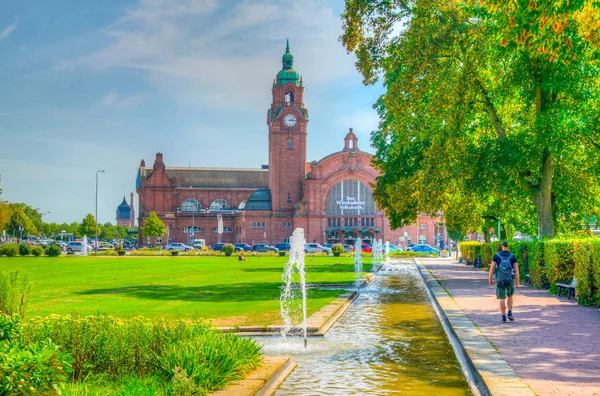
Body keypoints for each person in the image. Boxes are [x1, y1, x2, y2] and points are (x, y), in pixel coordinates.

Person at [489, 240, 520, 322]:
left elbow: (492, 268)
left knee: (502, 298)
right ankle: (510, 312)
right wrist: (517, 282)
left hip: (500, 280)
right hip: (509, 280)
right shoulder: (512, 256)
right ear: (508, 246)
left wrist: (490, 279)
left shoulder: (497, 255)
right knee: (510, 296)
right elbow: (516, 270)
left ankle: (503, 316)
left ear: (502, 246)